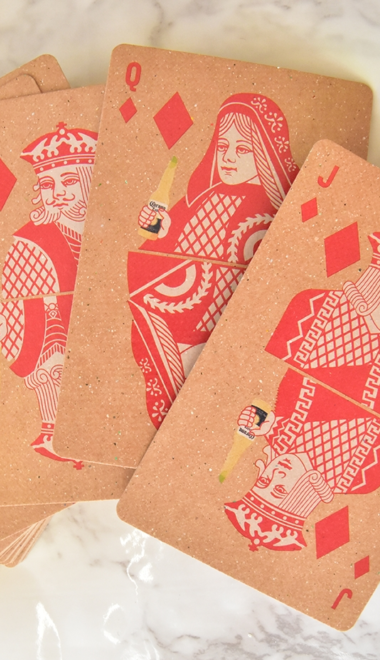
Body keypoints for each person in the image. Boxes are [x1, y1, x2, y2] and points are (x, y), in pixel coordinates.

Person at [224, 232, 380, 551]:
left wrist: (257, 421)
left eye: (264, 481)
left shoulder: (276, 432)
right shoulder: (361, 476)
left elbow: (265, 376)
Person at [128, 93, 298, 427]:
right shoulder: (203, 198)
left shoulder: (276, 216)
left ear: (264, 153)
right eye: (223, 146)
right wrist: (158, 231)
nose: (229, 158)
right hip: (173, 328)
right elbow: (156, 260)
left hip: (226, 338)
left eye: (243, 149)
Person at [0, 123, 96, 468]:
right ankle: (57, 432)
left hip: (107, 324)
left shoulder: (110, 229)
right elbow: (19, 304)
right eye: (47, 184)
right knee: (57, 358)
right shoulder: (30, 241)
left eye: (69, 181)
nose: (57, 193)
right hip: (52, 335)